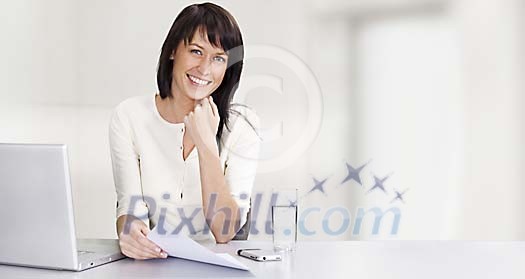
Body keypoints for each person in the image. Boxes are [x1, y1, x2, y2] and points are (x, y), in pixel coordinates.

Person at [109, 2, 260, 260]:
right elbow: (129, 206)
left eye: (218, 58)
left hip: (218, 268)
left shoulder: (242, 126)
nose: (204, 69)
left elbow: (225, 232)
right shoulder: (129, 115)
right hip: (156, 264)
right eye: (196, 51)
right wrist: (130, 232)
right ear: (172, 51)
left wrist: (206, 147)